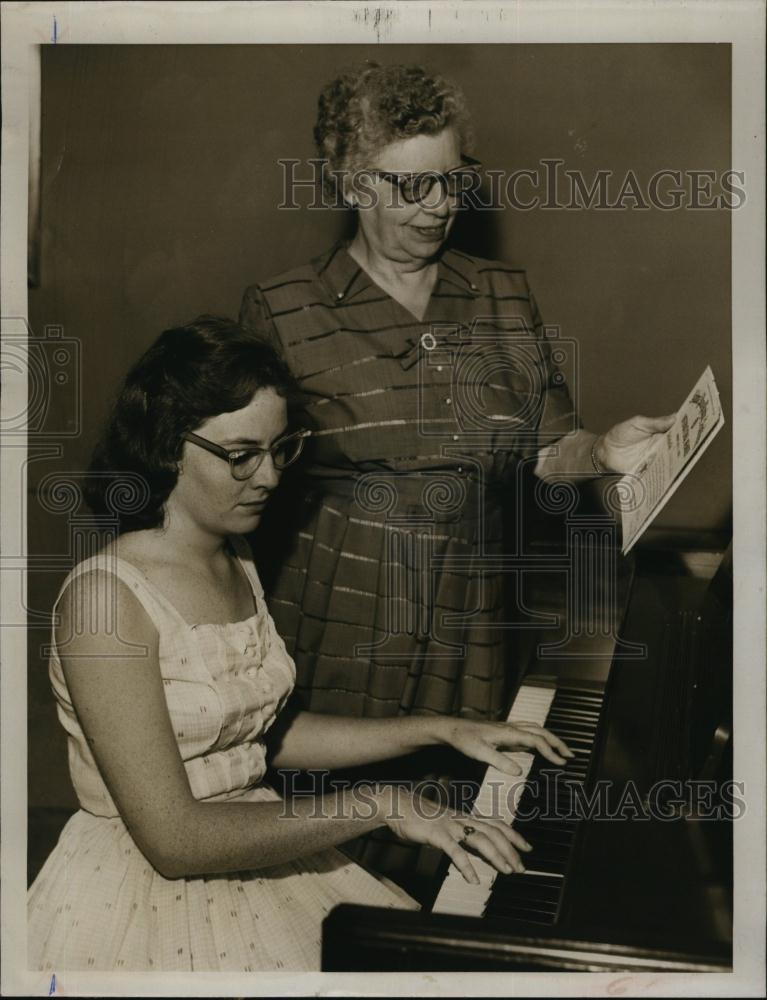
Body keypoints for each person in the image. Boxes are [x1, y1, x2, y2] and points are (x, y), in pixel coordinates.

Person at [27, 316, 572, 972]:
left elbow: (258, 736)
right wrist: (380, 802)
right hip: (144, 890)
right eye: (240, 456)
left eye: (280, 449)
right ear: (169, 445)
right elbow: (174, 840)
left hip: (253, 841)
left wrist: (441, 729)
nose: (268, 478)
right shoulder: (104, 601)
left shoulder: (236, 556)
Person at [239, 62, 673, 878]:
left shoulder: (500, 293)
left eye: (451, 181)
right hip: (338, 621)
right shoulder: (283, 307)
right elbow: (246, 481)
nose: (439, 205)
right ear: (351, 183)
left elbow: (550, 445)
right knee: (322, 851)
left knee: (449, 845)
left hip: (471, 621)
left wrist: (601, 452)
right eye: (412, 187)